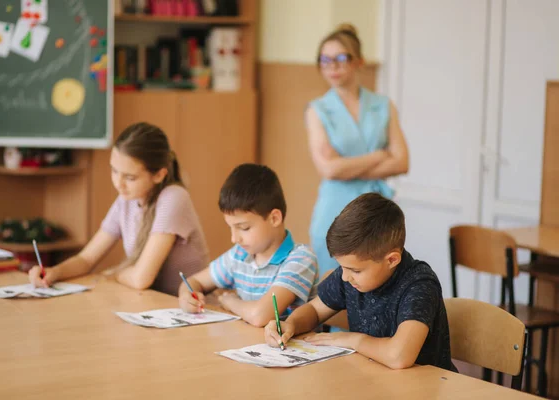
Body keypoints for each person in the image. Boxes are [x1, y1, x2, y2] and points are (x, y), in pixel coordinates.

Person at [265, 193, 456, 372]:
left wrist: (352, 340)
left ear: (391, 260)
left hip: (424, 389)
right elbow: (315, 310)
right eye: (343, 267)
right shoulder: (350, 275)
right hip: (374, 379)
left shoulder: (419, 284)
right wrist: (290, 324)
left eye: (355, 270)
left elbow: (399, 356)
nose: (344, 277)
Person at [29, 122, 209, 295]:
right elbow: (86, 259)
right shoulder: (126, 200)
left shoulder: (174, 197)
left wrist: (112, 274)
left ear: (159, 175)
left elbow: (141, 279)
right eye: (114, 171)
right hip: (151, 306)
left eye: (130, 177)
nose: (118, 184)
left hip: (187, 311)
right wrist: (55, 272)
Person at [307, 23, 409, 277]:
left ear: (359, 61)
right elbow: (329, 170)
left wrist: (346, 164)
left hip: (377, 212)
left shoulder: (383, 106)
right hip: (334, 212)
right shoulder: (317, 110)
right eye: (325, 60)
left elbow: (402, 162)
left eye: (341, 58)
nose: (333, 66)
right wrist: (379, 155)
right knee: (334, 298)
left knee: (380, 288)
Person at [178, 163, 318, 327]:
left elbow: (260, 316)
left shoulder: (301, 259)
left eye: (243, 228)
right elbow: (194, 281)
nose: (234, 238)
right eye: (230, 227)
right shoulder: (239, 255)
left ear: (274, 218)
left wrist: (228, 301)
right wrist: (187, 296)